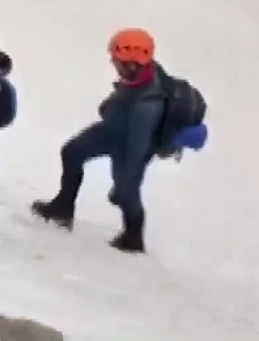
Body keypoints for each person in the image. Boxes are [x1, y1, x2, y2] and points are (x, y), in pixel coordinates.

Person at [31, 28, 167, 253]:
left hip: (128, 144)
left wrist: (127, 180)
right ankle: (63, 208)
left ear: (133, 62)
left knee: (127, 191)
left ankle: (133, 238)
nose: (113, 63)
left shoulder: (147, 106)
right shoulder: (138, 77)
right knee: (72, 152)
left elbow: (138, 147)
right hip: (112, 131)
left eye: (118, 60)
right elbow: (125, 96)